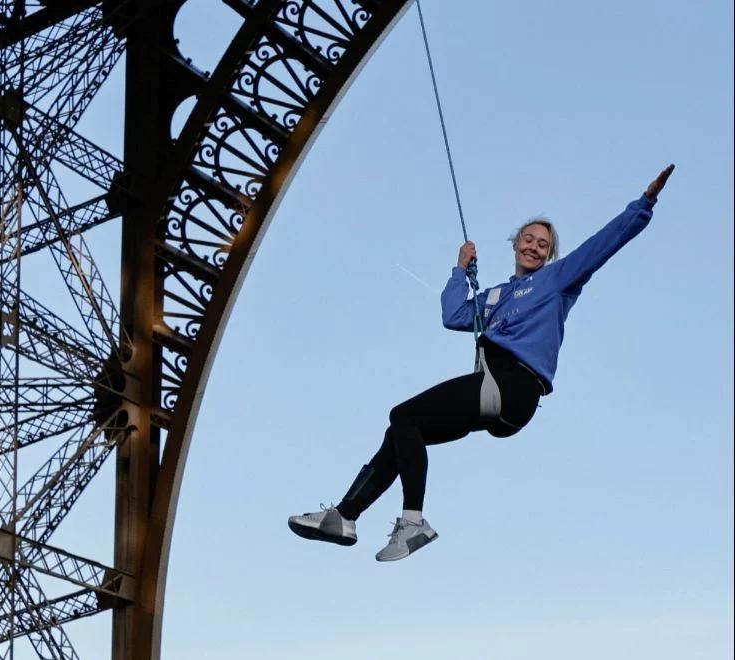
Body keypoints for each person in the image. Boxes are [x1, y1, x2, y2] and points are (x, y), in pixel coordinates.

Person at [288, 164, 675, 561]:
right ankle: (345, 517)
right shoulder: (494, 297)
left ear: (551, 254)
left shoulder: (558, 280)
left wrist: (643, 204)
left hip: (514, 387)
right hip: (498, 394)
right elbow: (453, 315)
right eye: (528, 239)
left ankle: (413, 521)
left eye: (543, 244)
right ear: (515, 244)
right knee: (403, 432)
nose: (534, 247)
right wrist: (459, 269)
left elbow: (603, 245)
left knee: (403, 416)